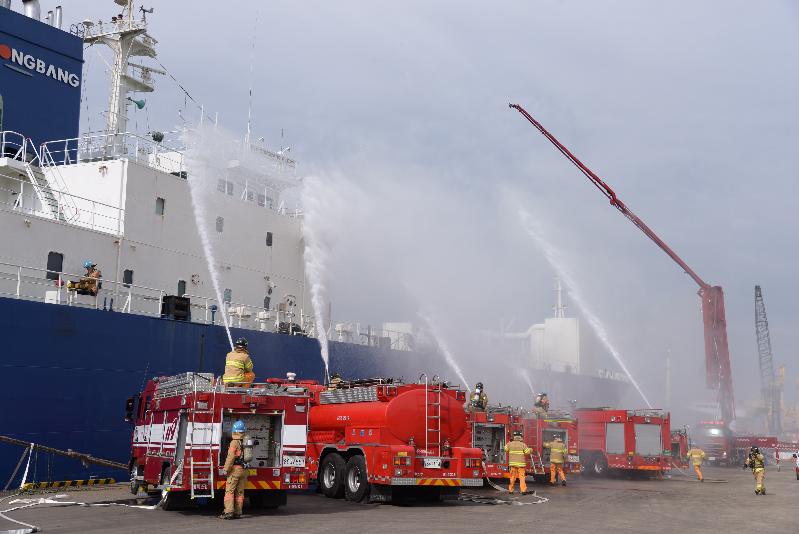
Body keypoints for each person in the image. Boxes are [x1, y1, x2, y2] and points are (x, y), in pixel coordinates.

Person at [220, 420, 248, 519]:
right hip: (244, 470)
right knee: (240, 492)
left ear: (234, 430)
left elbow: (230, 457)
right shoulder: (245, 441)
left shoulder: (234, 442)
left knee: (230, 491)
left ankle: (228, 512)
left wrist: (225, 469)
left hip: (235, 470)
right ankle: (238, 512)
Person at [504, 430, 531, 494]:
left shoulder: (510, 444)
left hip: (512, 464)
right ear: (521, 437)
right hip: (521, 465)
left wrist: (509, 442)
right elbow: (527, 452)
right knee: (522, 477)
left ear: (514, 436)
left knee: (512, 477)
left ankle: (511, 490)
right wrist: (531, 449)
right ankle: (523, 490)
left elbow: (505, 449)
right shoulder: (523, 444)